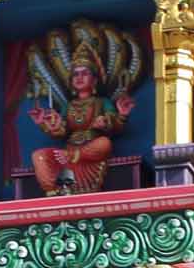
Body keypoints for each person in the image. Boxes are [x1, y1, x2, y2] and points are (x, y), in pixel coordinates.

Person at [29, 58, 132, 194]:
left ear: (94, 80)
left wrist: (119, 116)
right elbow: (61, 132)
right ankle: (53, 190)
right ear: (71, 81)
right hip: (67, 152)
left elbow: (115, 125)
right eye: (76, 74)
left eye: (84, 73)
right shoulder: (68, 106)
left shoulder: (101, 102)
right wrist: (44, 122)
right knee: (39, 155)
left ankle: (72, 157)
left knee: (105, 143)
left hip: (89, 151)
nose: (79, 77)